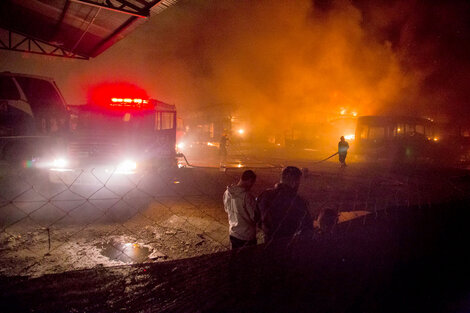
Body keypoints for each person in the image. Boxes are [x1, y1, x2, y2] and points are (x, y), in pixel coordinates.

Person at [257, 166, 314, 244]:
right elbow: (308, 227)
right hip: (287, 244)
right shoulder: (298, 202)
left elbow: (256, 218)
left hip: (268, 242)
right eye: (298, 182)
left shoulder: (265, 195)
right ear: (294, 183)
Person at [223, 170, 258, 249]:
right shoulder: (247, 196)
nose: (252, 185)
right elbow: (254, 217)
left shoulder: (227, 193)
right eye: (252, 182)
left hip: (233, 233)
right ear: (249, 180)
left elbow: (226, 209)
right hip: (246, 235)